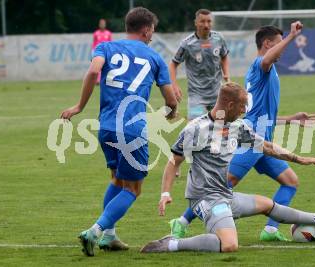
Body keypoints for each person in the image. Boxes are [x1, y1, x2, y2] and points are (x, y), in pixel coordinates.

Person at [141, 82, 315, 253]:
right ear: (230, 105)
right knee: (229, 245)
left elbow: (267, 147)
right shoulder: (196, 129)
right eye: (243, 106)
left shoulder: (238, 126)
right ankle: (171, 244)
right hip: (204, 199)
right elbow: (173, 161)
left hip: (225, 195)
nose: (245, 111)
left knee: (268, 205)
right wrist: (165, 193)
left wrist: (299, 159)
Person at [170, 22, 315, 242]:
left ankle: (269, 230)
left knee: (290, 181)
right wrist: (291, 36)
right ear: (267, 44)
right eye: (279, 44)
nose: (283, 50)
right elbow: (267, 60)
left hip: (262, 138)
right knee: (224, 185)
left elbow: (258, 114)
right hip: (251, 141)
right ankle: (181, 222)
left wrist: (290, 120)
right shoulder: (262, 64)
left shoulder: (263, 71)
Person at [60, 7, 178, 256]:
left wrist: (79, 106)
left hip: (106, 127)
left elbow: (94, 71)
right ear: (146, 30)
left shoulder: (107, 47)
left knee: (117, 179)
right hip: (133, 130)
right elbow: (171, 100)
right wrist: (172, 110)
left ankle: (110, 236)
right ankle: (95, 231)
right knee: (133, 189)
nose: (152, 36)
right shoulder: (155, 58)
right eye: (152, 31)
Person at [169, 8, 230, 120]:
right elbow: (173, 64)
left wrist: (226, 73)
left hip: (217, 94)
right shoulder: (187, 43)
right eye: (202, 21)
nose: (206, 25)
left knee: (221, 127)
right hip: (197, 97)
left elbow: (224, 56)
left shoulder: (219, 38)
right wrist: (174, 85)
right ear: (196, 23)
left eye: (209, 21)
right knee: (195, 129)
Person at [92, 18, 112, 84]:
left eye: (103, 24)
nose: (102, 25)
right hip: (99, 53)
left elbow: (110, 43)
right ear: (99, 25)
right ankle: (97, 80)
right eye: (101, 24)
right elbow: (94, 43)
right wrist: (93, 52)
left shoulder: (108, 33)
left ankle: (106, 80)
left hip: (106, 52)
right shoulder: (96, 33)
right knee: (98, 67)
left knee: (107, 66)